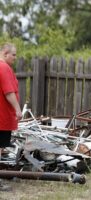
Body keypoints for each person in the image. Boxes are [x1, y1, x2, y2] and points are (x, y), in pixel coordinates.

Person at [0, 43, 22, 191]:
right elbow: (9, 92)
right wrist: (18, 109)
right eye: (13, 55)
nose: (15, 58)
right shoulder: (4, 68)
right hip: (2, 117)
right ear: (5, 53)